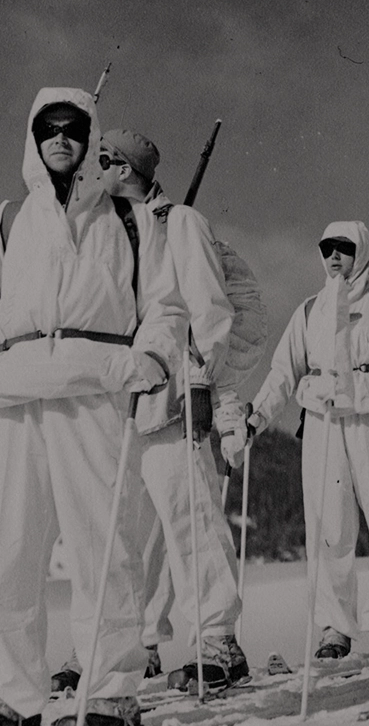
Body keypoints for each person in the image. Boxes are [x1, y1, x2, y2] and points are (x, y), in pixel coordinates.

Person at [0, 89, 188, 726]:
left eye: (74, 127)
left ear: (90, 136)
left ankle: (111, 692)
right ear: (33, 135)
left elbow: (165, 306)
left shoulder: (128, 221)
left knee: (102, 549)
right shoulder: (8, 221)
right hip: (16, 399)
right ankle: (11, 696)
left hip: (95, 394)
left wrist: (151, 361)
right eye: (49, 127)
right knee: (10, 551)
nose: (61, 137)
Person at [52, 128, 255, 694]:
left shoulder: (179, 223)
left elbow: (210, 311)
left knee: (188, 515)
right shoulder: (108, 229)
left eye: (104, 161)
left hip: (171, 392)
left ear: (122, 167)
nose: (97, 170)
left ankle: (218, 638)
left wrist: (197, 378)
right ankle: (125, 643)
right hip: (118, 393)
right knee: (120, 527)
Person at [239, 221, 369, 660]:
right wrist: (256, 416)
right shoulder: (310, 310)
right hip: (323, 423)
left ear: (363, 252)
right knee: (328, 527)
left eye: (344, 247)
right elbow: (283, 371)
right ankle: (335, 627)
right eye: (326, 247)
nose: (334, 256)